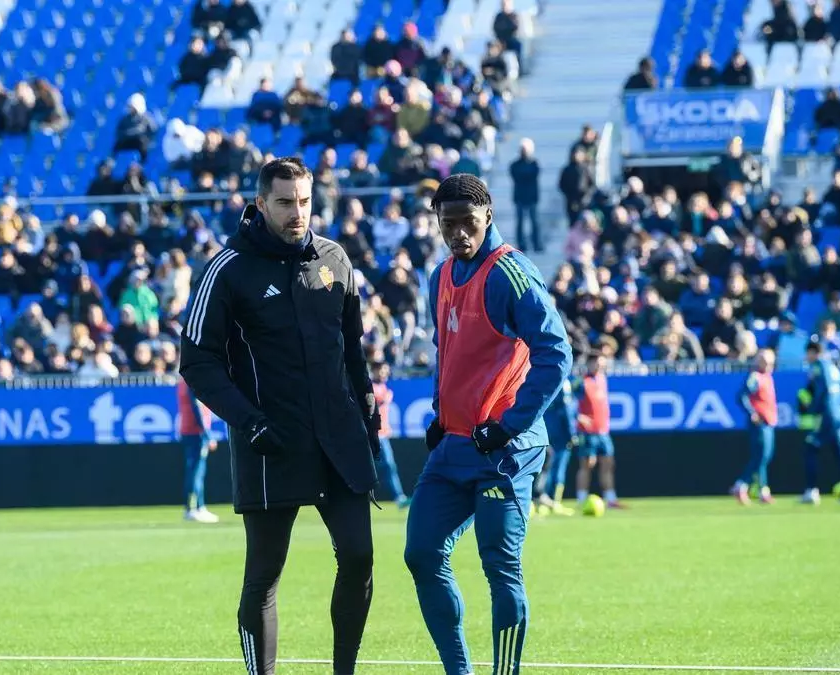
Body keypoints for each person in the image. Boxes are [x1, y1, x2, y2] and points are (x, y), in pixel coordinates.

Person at [178, 157, 379, 675]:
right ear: (261, 203)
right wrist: (249, 421)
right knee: (264, 576)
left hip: (339, 439)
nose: (298, 213)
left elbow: (351, 348)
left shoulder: (335, 259)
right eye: (286, 203)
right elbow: (196, 359)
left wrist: (368, 412)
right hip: (271, 443)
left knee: (359, 557)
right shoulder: (227, 268)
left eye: (305, 202)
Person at [405, 174, 572, 675]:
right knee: (421, 553)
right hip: (455, 446)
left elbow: (556, 354)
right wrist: (440, 410)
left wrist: (509, 424)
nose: (459, 233)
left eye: (468, 223)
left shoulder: (511, 273)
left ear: (489, 216)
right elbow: (448, 352)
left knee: (500, 569)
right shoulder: (439, 277)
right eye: (448, 223)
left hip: (505, 451)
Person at [800, 342, 840, 505]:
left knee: (810, 449)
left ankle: (811, 491)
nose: (807, 357)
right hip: (838, 416)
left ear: (814, 353)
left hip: (825, 416)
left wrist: (813, 408)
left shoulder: (818, 367)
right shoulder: (833, 367)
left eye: (808, 353)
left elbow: (822, 390)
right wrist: (837, 404)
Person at [730, 349, 777, 505]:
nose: (769, 365)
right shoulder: (755, 377)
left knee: (764, 457)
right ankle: (741, 484)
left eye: (771, 362)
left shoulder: (767, 377)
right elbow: (741, 395)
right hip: (759, 422)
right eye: (765, 362)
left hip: (769, 421)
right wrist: (752, 413)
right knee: (760, 456)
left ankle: (763, 490)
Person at [573, 352, 620, 508]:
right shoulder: (581, 382)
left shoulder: (602, 379)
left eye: (602, 363)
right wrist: (578, 416)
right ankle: (581, 498)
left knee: (608, 463)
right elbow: (568, 402)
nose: (600, 366)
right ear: (589, 364)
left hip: (603, 431)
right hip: (587, 432)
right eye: (597, 363)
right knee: (587, 464)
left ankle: (610, 498)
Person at [177, 374, 219, 523]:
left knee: (194, 470)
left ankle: (197, 507)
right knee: (196, 471)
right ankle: (194, 508)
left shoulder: (183, 381)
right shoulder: (192, 381)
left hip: (188, 430)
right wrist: (207, 434)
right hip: (196, 432)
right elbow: (197, 408)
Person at [370, 360, 409, 508]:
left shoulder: (383, 387)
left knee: (388, 466)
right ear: (374, 370)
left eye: (386, 370)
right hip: (372, 435)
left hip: (382, 434)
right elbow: (368, 407)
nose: (385, 373)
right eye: (382, 370)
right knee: (382, 466)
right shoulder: (370, 386)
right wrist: (382, 401)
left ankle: (399, 497)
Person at [541, 375, 578, 515]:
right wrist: (572, 433)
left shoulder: (545, 378)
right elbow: (567, 410)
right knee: (559, 466)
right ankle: (554, 501)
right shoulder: (564, 381)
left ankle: (540, 499)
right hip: (560, 432)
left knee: (545, 466)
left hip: (546, 429)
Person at [509, 138, 541, 253]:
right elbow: (517, 175)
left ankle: (536, 244)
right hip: (520, 197)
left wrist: (524, 175)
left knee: (535, 222)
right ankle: (521, 244)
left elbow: (532, 175)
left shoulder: (534, 164)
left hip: (532, 197)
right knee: (520, 223)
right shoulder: (514, 165)